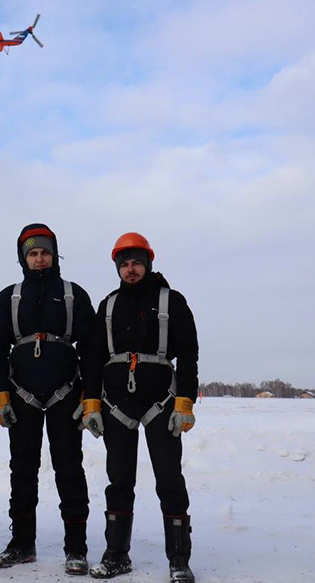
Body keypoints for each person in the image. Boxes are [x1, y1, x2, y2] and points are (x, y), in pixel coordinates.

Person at [81, 232, 198, 583]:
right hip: (117, 404)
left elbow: (189, 354)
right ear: (117, 268)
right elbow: (93, 357)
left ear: (148, 263)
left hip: (162, 403)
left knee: (169, 479)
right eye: (124, 264)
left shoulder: (171, 301)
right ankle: (117, 555)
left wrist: (185, 401)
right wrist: (90, 403)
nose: (131, 269)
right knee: (118, 480)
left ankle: (179, 559)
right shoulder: (108, 305)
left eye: (136, 263)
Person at [0, 223, 95, 575]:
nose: (38, 258)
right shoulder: (9, 297)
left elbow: (93, 349)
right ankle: (22, 543)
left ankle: (76, 548)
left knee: (69, 467)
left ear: (54, 254)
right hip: (21, 394)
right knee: (22, 468)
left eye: (44, 252)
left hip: (65, 393)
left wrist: (91, 397)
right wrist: (0, 394)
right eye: (32, 253)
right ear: (23, 257)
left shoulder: (73, 294)